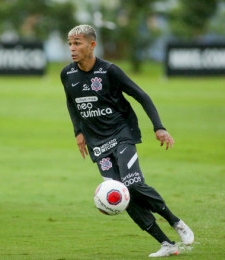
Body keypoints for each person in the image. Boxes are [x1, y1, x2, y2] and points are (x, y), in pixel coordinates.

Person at [60, 24, 194, 258]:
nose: (72, 48)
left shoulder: (110, 71)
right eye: (70, 43)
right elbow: (71, 102)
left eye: (77, 43)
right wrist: (78, 132)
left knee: (132, 183)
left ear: (92, 45)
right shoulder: (67, 74)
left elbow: (142, 96)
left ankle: (175, 221)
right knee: (121, 195)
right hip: (97, 144)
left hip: (122, 133)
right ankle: (167, 244)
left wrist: (159, 127)